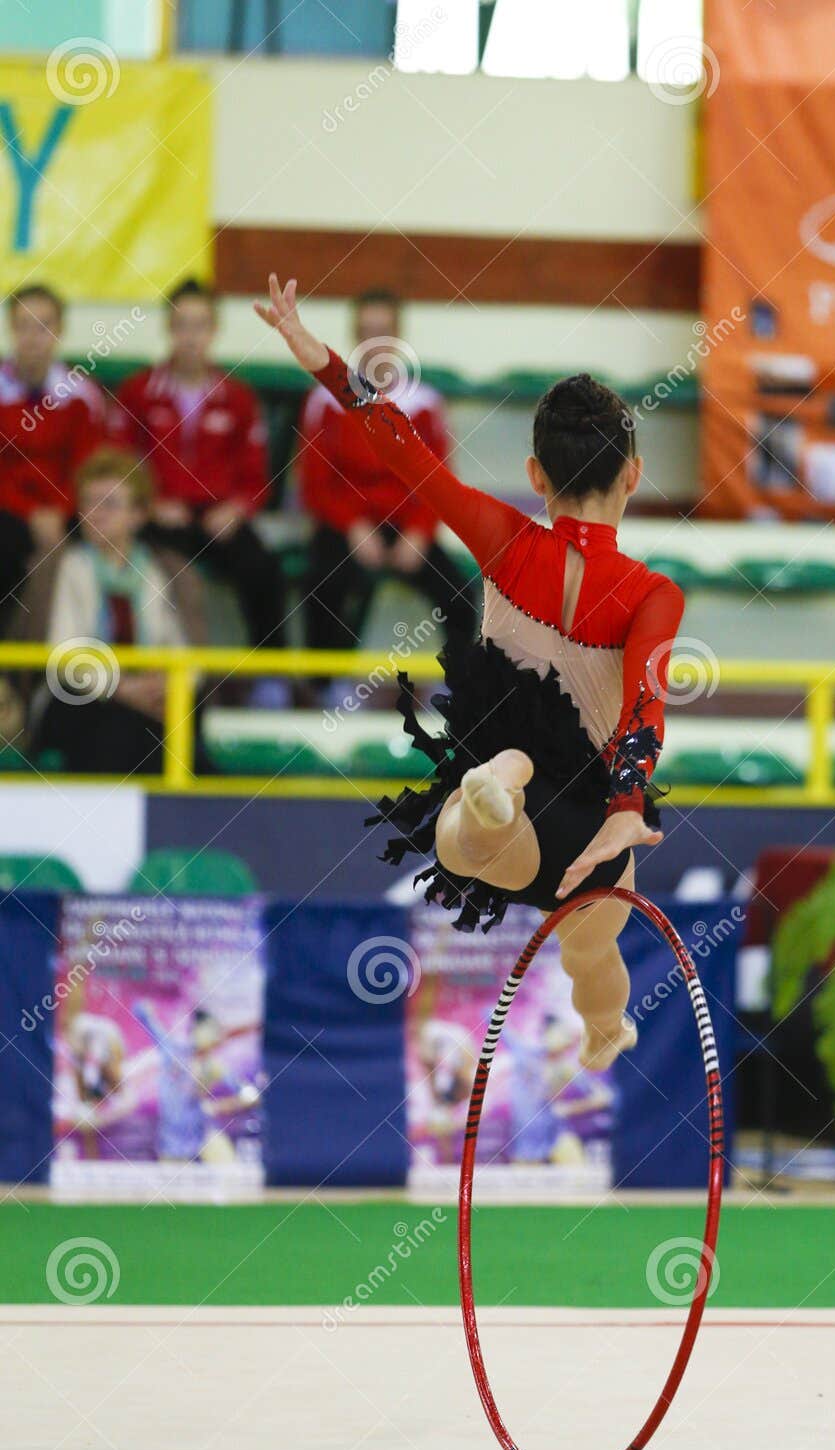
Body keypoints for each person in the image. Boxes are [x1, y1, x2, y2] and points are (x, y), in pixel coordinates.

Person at [256, 274, 684, 1071]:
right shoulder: (652, 595)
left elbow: (396, 445)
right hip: (588, 832)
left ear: (534, 475)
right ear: (632, 475)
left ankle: (497, 785)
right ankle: (602, 1030)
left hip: (501, 822)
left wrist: (320, 360)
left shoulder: (501, 535)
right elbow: (644, 705)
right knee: (593, 953)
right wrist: (627, 808)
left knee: (464, 840)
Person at [115, 279, 289, 703]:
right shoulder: (138, 391)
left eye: (200, 326)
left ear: (214, 331)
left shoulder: (239, 397)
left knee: (264, 571)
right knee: (162, 576)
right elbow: (119, 463)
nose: (190, 337)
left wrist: (237, 508)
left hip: (218, 519)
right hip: (160, 518)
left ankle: (271, 681)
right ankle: (166, 684)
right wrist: (149, 504)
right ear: (168, 329)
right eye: (181, 325)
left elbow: (257, 473)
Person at [298, 287, 476, 696]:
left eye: (384, 331)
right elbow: (315, 485)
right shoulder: (324, 400)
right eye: (366, 331)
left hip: (405, 524)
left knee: (460, 595)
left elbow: (439, 483)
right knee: (324, 582)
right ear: (354, 336)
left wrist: (418, 532)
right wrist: (352, 526)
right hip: (345, 524)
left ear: (398, 337)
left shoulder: (425, 404)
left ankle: (463, 692)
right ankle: (323, 688)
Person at [31, 448, 190, 776]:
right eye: (90, 502)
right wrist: (119, 688)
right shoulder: (64, 566)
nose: (97, 514)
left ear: (138, 514)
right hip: (79, 701)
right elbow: (63, 655)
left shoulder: (161, 571)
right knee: (119, 723)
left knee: (173, 723)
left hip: (145, 701)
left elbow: (182, 650)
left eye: (110, 503)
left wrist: (161, 685)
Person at [0, 284, 111, 635]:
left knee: (96, 550)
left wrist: (59, 513)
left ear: (59, 331)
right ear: (11, 329)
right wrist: (31, 513)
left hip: (68, 514)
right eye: (24, 326)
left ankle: (65, 676)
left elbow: (89, 471)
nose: (33, 338)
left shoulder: (82, 395)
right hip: (9, 511)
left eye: (43, 326)